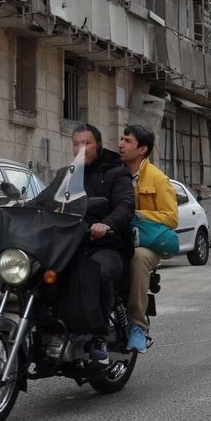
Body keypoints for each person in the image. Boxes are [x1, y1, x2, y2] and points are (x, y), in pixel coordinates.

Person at [37, 124, 134, 360]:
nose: (81, 148)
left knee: (96, 272)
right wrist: (18, 208)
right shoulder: (65, 175)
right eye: (76, 143)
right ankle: (46, 329)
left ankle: (98, 336)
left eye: (86, 143)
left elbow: (125, 205)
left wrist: (107, 224)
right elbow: (43, 200)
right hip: (69, 245)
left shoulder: (116, 173)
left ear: (98, 145)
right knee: (37, 271)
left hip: (107, 245)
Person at [117, 123, 176, 353]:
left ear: (142, 150)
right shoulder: (115, 171)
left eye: (127, 141)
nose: (120, 144)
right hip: (119, 236)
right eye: (121, 139)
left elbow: (171, 218)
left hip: (148, 242)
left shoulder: (158, 179)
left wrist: (138, 215)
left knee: (139, 258)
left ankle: (139, 326)